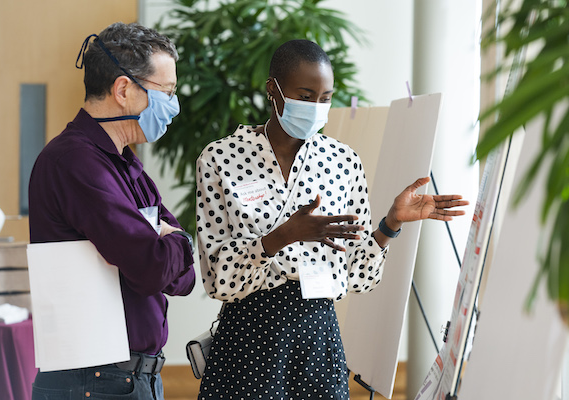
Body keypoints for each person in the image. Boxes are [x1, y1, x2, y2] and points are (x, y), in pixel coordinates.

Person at [195, 39, 469, 399]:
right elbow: (218, 279)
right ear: (273, 91)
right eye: (306, 96)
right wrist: (283, 236)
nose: (316, 108)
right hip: (250, 335)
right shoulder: (221, 158)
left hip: (318, 337)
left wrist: (390, 224)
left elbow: (358, 276)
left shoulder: (343, 162)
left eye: (325, 99)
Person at [28, 22, 195, 400]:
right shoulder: (74, 162)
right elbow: (153, 267)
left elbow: (183, 280)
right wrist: (174, 241)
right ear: (123, 89)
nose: (174, 104)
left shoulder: (125, 164)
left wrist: (171, 245)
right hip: (95, 381)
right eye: (166, 91)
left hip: (133, 379)